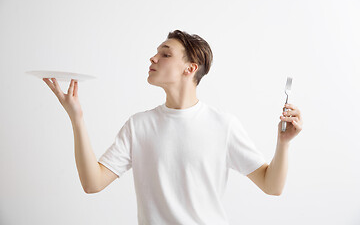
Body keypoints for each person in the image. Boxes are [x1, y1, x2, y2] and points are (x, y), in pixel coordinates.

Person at [43, 29, 303, 225]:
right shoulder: (139, 126)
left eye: (165, 54)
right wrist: (76, 117)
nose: (153, 58)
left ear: (190, 69)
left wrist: (284, 143)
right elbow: (93, 183)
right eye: (157, 52)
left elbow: (272, 186)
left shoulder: (223, 126)